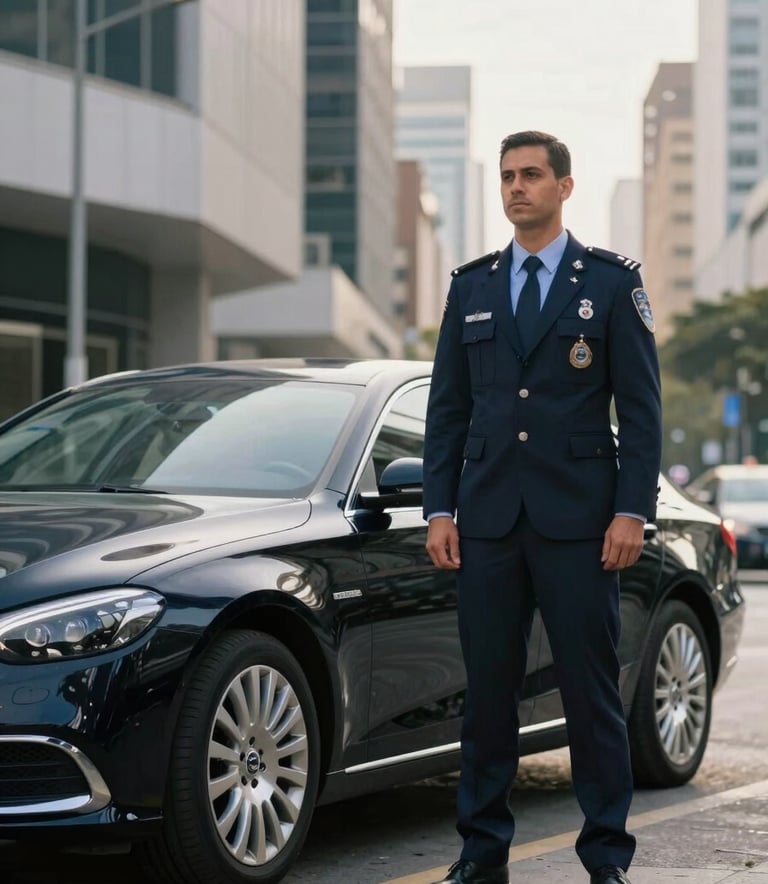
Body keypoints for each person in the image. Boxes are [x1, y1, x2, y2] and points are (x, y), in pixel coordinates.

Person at [422, 130, 662, 884]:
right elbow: (447, 413)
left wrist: (633, 511)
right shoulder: (473, 287)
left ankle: (606, 858)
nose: (516, 187)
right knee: (487, 696)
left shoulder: (613, 285)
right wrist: (439, 510)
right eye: (507, 177)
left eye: (531, 175)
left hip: (581, 525)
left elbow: (642, 414)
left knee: (591, 695)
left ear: (564, 185)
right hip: (488, 522)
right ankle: (481, 853)